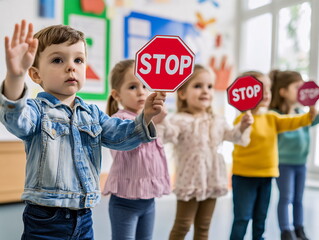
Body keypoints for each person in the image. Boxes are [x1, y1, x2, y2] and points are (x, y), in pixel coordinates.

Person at [0, 20, 166, 239]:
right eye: (58, 60)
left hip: (84, 215)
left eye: (78, 60)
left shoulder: (92, 113)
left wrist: (145, 116)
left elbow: (120, 136)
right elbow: (15, 118)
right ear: (36, 75)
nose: (71, 66)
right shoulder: (36, 111)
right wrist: (15, 76)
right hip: (45, 217)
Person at [156, 64, 254, 240]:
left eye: (209, 86)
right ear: (182, 93)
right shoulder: (179, 120)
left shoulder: (217, 120)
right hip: (190, 181)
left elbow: (233, 136)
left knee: (203, 226)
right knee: (183, 225)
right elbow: (166, 135)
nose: (205, 91)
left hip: (212, 178)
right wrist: (160, 119)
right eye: (197, 86)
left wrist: (243, 125)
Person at [230, 71, 317, 240]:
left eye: (268, 88)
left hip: (266, 176)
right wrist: (244, 125)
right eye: (260, 89)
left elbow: (295, 121)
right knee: (242, 218)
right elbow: (238, 137)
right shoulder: (242, 119)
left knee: (260, 219)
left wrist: (310, 113)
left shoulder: (272, 117)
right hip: (244, 176)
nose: (267, 93)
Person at [102, 59, 171, 240]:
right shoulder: (119, 119)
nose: (141, 91)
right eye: (133, 87)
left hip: (149, 199)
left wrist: (159, 116)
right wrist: (150, 118)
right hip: (124, 201)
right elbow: (129, 139)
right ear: (117, 96)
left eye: (145, 86)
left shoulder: (153, 117)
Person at [269, 70, 319, 240]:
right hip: (284, 163)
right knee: (286, 197)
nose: (301, 91)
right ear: (283, 91)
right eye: (297, 87)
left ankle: (299, 228)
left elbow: (315, 119)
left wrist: (312, 103)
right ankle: (286, 230)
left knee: (299, 198)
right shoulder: (276, 117)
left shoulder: (302, 114)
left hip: (301, 163)